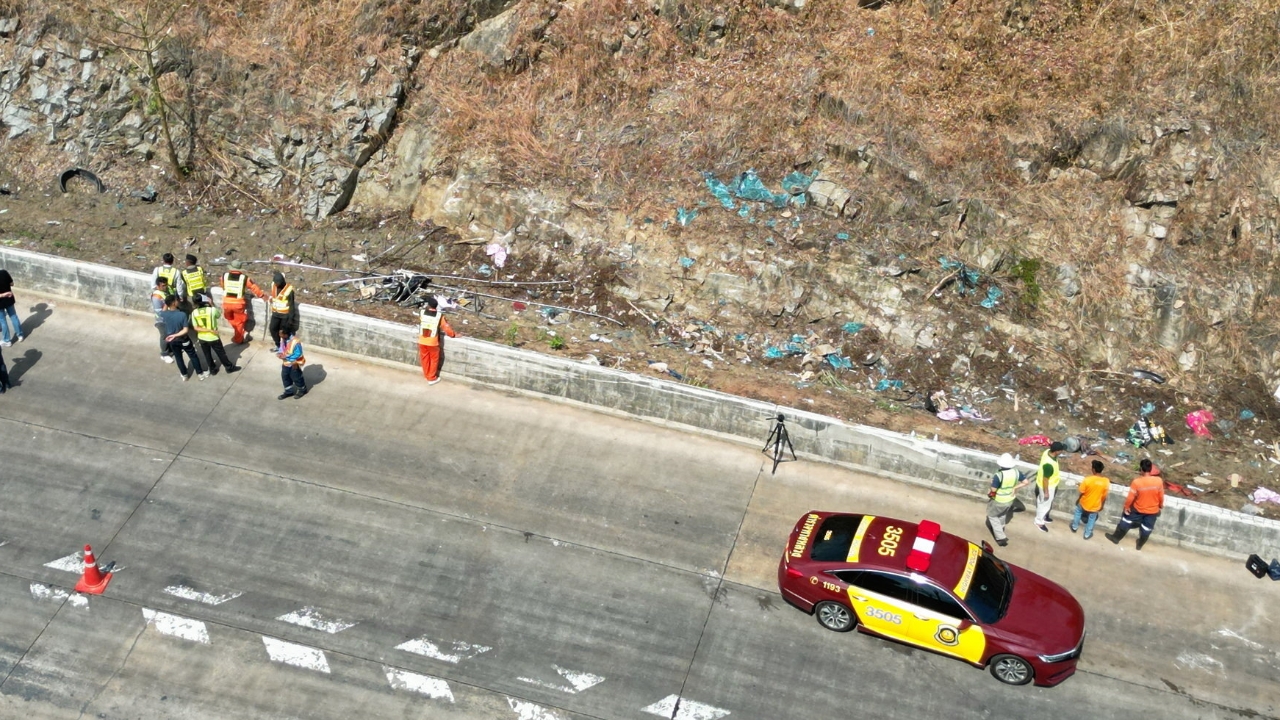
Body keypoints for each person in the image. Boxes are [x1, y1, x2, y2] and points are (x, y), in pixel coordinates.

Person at [1107, 458, 1165, 550]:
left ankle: (1116, 538)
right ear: (1150, 469)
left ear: (1141, 469)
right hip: (1152, 511)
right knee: (1146, 529)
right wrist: (1161, 505)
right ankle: (1139, 545)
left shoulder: (1137, 482)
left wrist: (1126, 507)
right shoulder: (1158, 481)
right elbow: (1161, 496)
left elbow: (1130, 497)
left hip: (1138, 510)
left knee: (1125, 522)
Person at [986, 453, 1031, 547]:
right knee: (1002, 514)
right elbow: (1026, 482)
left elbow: (993, 490)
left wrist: (990, 489)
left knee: (992, 516)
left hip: (999, 500)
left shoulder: (998, 475)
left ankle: (1000, 537)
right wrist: (1015, 488)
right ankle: (1001, 527)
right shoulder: (1016, 472)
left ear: (1001, 464)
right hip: (1010, 499)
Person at [159, 295, 206, 381]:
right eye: (176, 300)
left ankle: (184, 375)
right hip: (183, 339)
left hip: (172, 341)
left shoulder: (164, 314)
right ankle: (200, 373)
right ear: (173, 303)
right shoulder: (182, 315)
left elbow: (164, 309)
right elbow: (185, 330)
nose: (178, 301)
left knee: (178, 357)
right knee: (193, 355)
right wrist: (176, 335)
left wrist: (167, 302)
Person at [191, 296, 239, 375]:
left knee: (207, 355)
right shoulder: (212, 310)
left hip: (202, 338)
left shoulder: (194, 313)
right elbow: (218, 315)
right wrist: (212, 304)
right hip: (213, 337)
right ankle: (229, 368)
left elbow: (196, 328)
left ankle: (212, 370)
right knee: (221, 353)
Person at [221, 260, 265, 344]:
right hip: (238, 304)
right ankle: (239, 338)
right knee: (239, 322)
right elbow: (253, 287)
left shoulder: (224, 276)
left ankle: (238, 333)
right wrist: (261, 295)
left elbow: (223, 286)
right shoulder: (245, 278)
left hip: (226, 303)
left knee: (229, 318)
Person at [418, 296, 457, 385]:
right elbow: (446, 328)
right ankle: (431, 378)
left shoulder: (422, 313)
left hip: (422, 340)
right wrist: (453, 335)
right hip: (433, 342)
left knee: (424, 358)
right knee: (434, 359)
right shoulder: (440, 316)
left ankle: (426, 375)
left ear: (429, 306)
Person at [1071, 460, 1111, 539]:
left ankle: (1074, 527)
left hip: (1084, 503)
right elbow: (1104, 496)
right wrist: (1102, 506)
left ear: (1093, 469)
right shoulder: (1106, 481)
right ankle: (1087, 534)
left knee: (1078, 513)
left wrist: (1078, 499)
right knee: (1092, 519)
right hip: (1095, 506)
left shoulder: (1087, 479)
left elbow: (1081, 491)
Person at [1033, 442, 1066, 532]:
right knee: (1045, 505)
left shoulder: (1047, 452)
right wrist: (1046, 492)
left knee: (1041, 502)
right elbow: (1045, 479)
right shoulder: (1049, 464)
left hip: (1043, 484)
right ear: (1056, 451)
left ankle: (1042, 517)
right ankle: (1039, 521)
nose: (1061, 451)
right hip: (1047, 486)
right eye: (1060, 450)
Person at [268, 271, 299, 347]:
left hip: (284, 315)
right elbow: (275, 296)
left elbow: (291, 306)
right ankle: (278, 345)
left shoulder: (289, 290)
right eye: (275, 283)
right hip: (275, 313)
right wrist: (271, 298)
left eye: (278, 284)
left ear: (282, 282)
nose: (276, 285)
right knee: (272, 329)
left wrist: (290, 319)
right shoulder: (273, 285)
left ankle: (284, 347)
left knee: (283, 332)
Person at [276, 330, 307, 399]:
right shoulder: (283, 339)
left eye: (281, 334)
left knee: (297, 377)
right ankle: (288, 392)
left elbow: (298, 353)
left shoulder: (295, 342)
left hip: (293, 363)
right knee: (285, 377)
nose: (280, 336)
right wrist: (280, 353)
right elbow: (282, 348)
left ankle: (302, 389)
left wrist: (287, 357)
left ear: (286, 334)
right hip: (286, 363)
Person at [152, 276, 175, 363]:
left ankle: (170, 350)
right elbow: (159, 312)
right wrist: (167, 303)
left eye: (166, 285)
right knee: (164, 336)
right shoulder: (156, 297)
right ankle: (164, 354)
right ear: (158, 286)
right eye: (163, 286)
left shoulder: (166, 291)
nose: (165, 287)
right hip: (162, 320)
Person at [0, 268, 25, 346]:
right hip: (9, 299)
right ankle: (20, 335)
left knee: (2, 320)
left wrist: (3, 294)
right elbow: (12, 284)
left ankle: (7, 340)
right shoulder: (4, 272)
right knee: (13, 316)